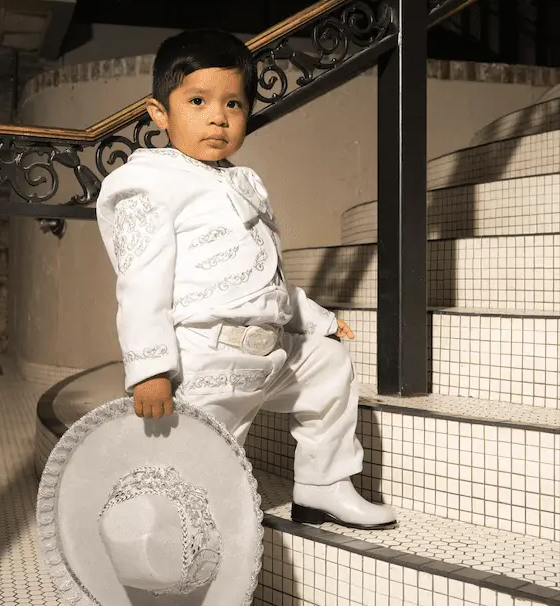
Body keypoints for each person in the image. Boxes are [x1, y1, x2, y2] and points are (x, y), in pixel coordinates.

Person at [96, 29, 396, 530]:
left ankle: (324, 486)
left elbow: (265, 278)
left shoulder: (244, 181)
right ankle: (178, 543)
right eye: (197, 100)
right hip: (203, 359)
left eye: (233, 103)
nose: (218, 116)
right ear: (159, 112)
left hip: (268, 352)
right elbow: (140, 281)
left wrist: (317, 320)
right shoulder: (145, 182)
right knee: (198, 469)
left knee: (327, 367)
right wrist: (149, 367)